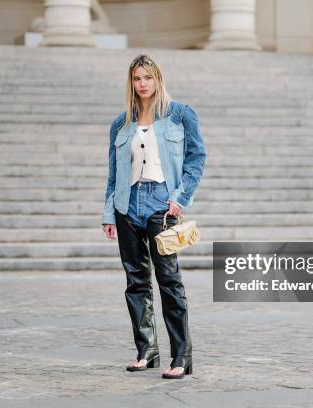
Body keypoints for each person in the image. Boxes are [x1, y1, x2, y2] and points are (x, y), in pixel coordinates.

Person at [101, 54, 206, 379]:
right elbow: (113, 173)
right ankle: (146, 350)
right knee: (136, 282)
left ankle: (181, 356)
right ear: (131, 83)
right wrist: (109, 212)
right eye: (137, 79)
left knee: (169, 280)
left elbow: (196, 158)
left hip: (163, 206)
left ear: (158, 79)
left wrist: (180, 198)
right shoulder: (121, 123)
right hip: (127, 206)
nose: (142, 84)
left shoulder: (180, 114)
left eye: (148, 78)